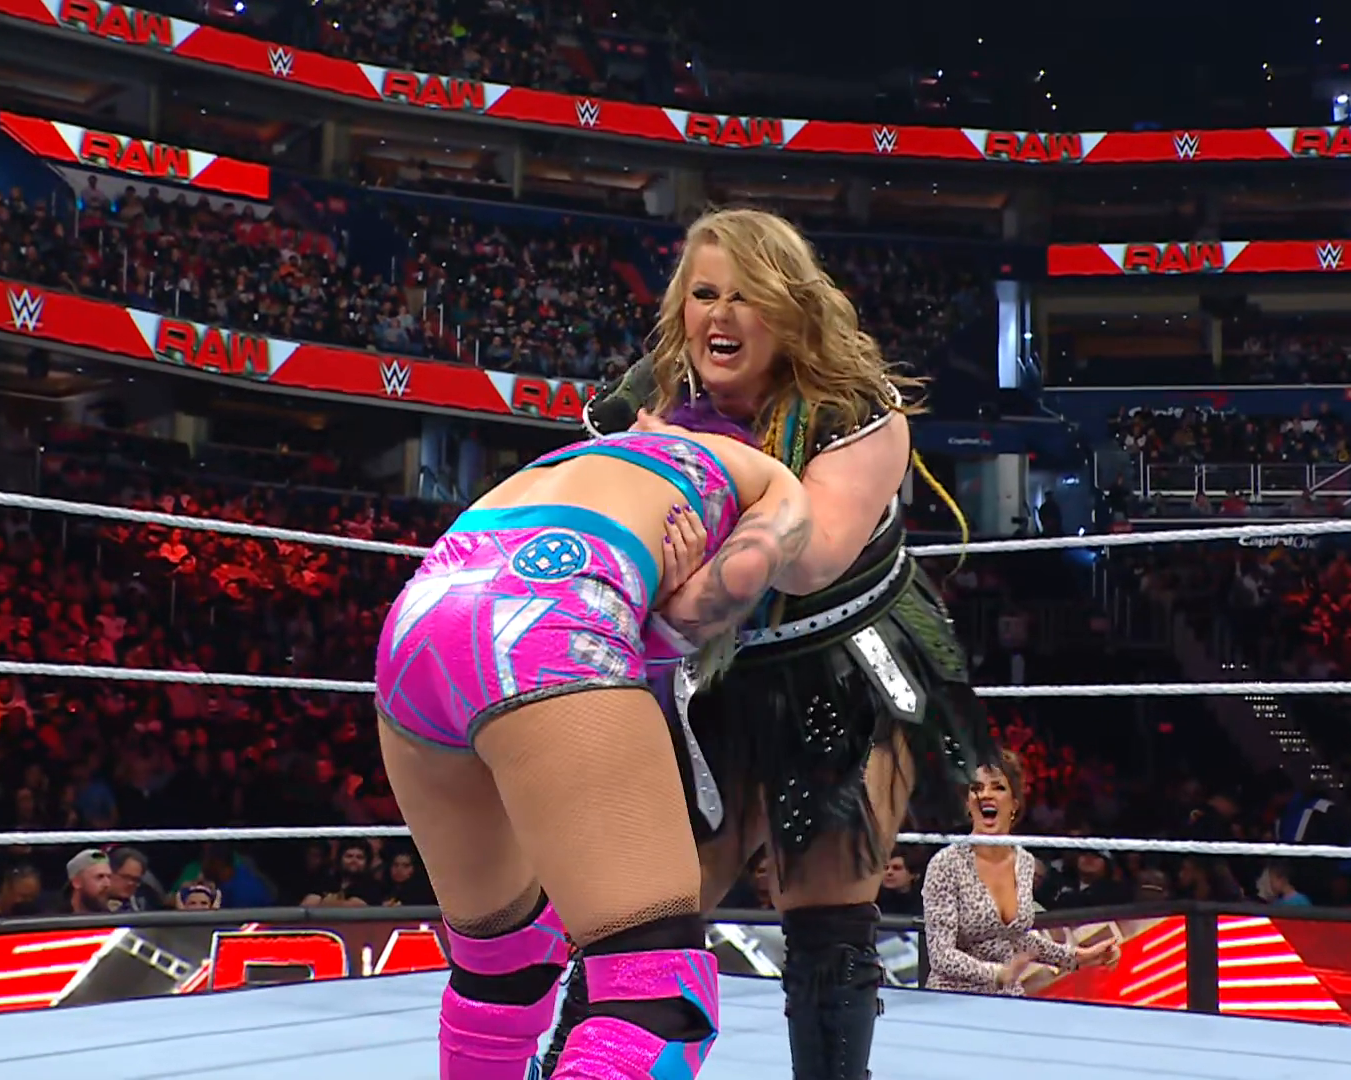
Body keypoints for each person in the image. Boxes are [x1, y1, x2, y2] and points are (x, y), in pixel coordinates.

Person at [555, 207, 998, 1078]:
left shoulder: (855, 411)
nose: (720, 316)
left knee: (827, 912)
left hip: (838, 663)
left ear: (791, 307)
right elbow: (607, 535)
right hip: (702, 676)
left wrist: (688, 501)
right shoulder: (647, 399)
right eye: (703, 295)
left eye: (746, 296)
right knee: (644, 910)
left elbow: (810, 556)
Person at [375, 426, 812, 1080]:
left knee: (501, 967)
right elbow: (764, 571)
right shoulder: (768, 477)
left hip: (427, 609)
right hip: (551, 614)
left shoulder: (591, 454)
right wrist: (689, 608)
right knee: (654, 996)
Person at [921, 759, 1117, 995]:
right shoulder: (945, 864)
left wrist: (1077, 957)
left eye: (998, 787)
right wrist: (998, 974)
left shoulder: (1024, 862)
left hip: (1008, 998)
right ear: (968, 804)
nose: (986, 795)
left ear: (1014, 804)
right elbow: (941, 954)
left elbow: (1016, 939)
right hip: (955, 998)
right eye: (977, 789)